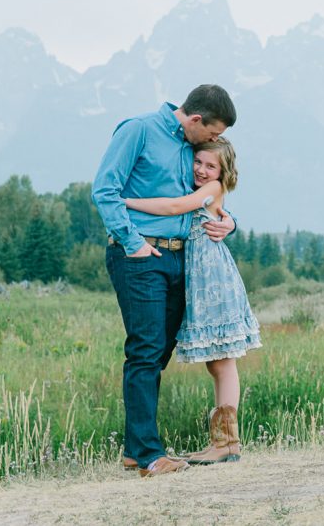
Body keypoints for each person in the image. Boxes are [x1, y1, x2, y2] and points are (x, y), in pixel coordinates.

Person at [92, 84, 237, 478]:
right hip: (141, 255)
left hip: (181, 257)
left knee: (160, 350)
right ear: (194, 119)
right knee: (145, 348)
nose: (216, 140)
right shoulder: (137, 130)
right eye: (212, 134)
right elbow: (104, 189)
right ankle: (148, 455)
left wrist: (229, 222)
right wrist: (132, 242)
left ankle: (133, 449)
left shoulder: (190, 144)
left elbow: (207, 193)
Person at [124, 137, 261, 465]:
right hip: (199, 278)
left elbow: (174, 208)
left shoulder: (211, 188)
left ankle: (227, 443)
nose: (201, 169)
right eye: (197, 162)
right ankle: (223, 443)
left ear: (222, 171)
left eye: (210, 165)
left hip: (212, 278)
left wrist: (127, 202)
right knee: (216, 362)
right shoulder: (204, 188)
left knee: (223, 359)